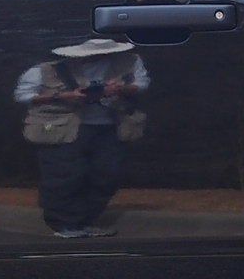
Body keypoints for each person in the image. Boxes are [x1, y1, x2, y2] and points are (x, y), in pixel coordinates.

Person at [14, 37, 150, 238]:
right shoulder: (46, 70)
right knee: (64, 176)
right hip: (63, 128)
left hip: (111, 127)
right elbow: (22, 95)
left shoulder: (129, 62)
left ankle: (87, 220)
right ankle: (63, 224)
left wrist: (119, 89)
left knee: (106, 175)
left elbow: (142, 84)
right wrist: (62, 96)